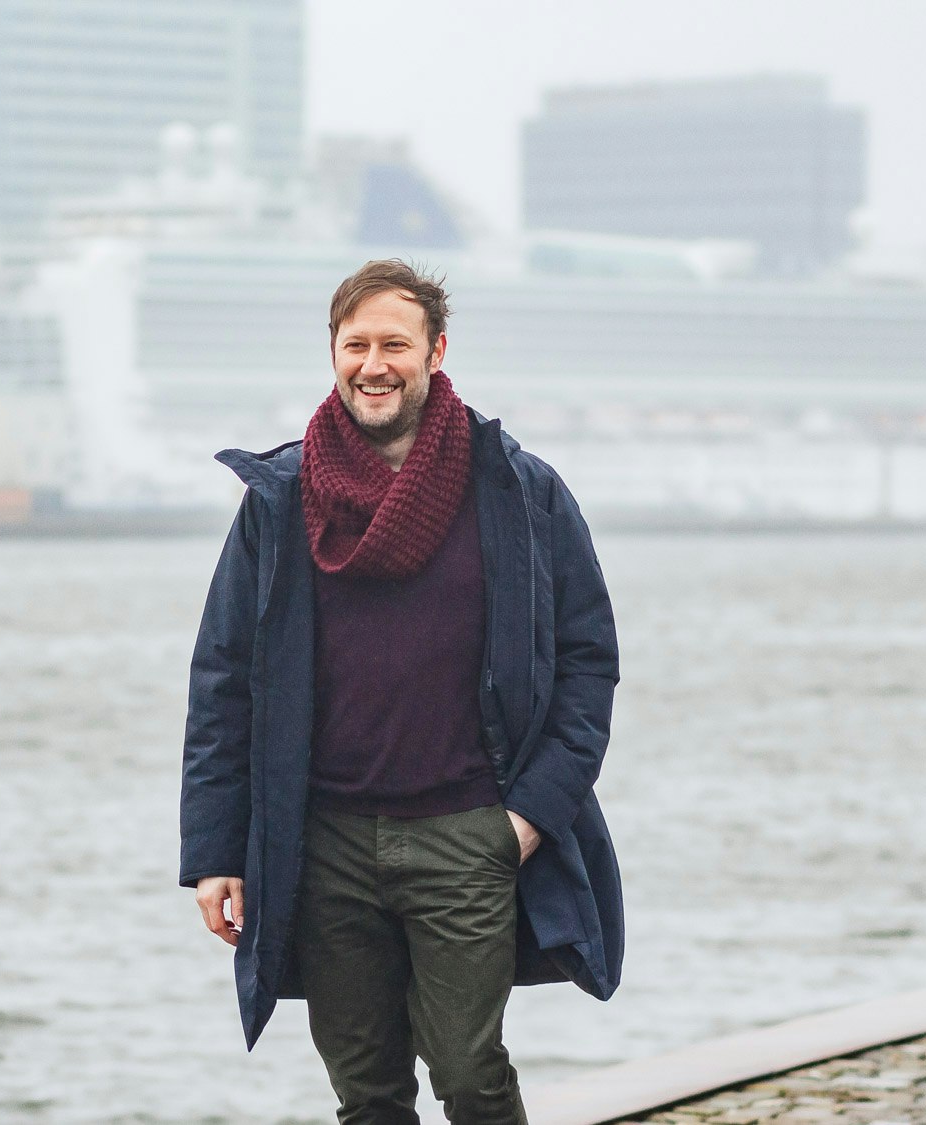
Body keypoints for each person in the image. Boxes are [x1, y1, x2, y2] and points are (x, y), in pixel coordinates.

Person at [179, 259, 623, 1125]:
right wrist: (214, 850)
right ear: (333, 355)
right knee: (367, 1093)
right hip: (325, 843)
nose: (373, 363)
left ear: (437, 351)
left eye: (394, 343)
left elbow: (588, 661)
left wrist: (527, 817)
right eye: (356, 345)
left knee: (469, 1073)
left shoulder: (518, 489)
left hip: (469, 832)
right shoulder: (281, 499)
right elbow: (223, 679)